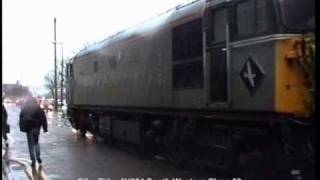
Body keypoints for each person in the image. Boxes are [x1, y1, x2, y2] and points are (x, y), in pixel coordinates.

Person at [19, 96, 48, 167]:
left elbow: (21, 118)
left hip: (28, 128)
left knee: (30, 145)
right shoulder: (38, 108)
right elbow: (43, 118)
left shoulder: (24, 108)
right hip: (36, 128)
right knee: (36, 142)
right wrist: (45, 128)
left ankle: (33, 160)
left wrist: (21, 127)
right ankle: (38, 156)